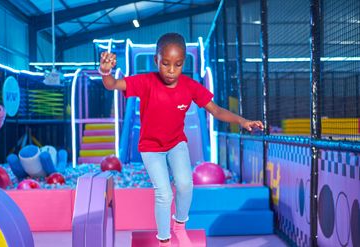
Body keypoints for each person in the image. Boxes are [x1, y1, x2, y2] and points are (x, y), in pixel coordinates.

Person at [99, 33, 264, 247]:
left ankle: (179, 227)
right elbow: (112, 84)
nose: (170, 70)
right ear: (156, 60)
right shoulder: (145, 82)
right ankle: (164, 240)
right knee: (164, 193)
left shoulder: (190, 86)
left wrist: (242, 121)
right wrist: (105, 71)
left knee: (186, 185)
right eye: (165, 63)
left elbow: (216, 111)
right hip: (150, 148)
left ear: (183, 63)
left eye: (177, 65)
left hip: (176, 144)